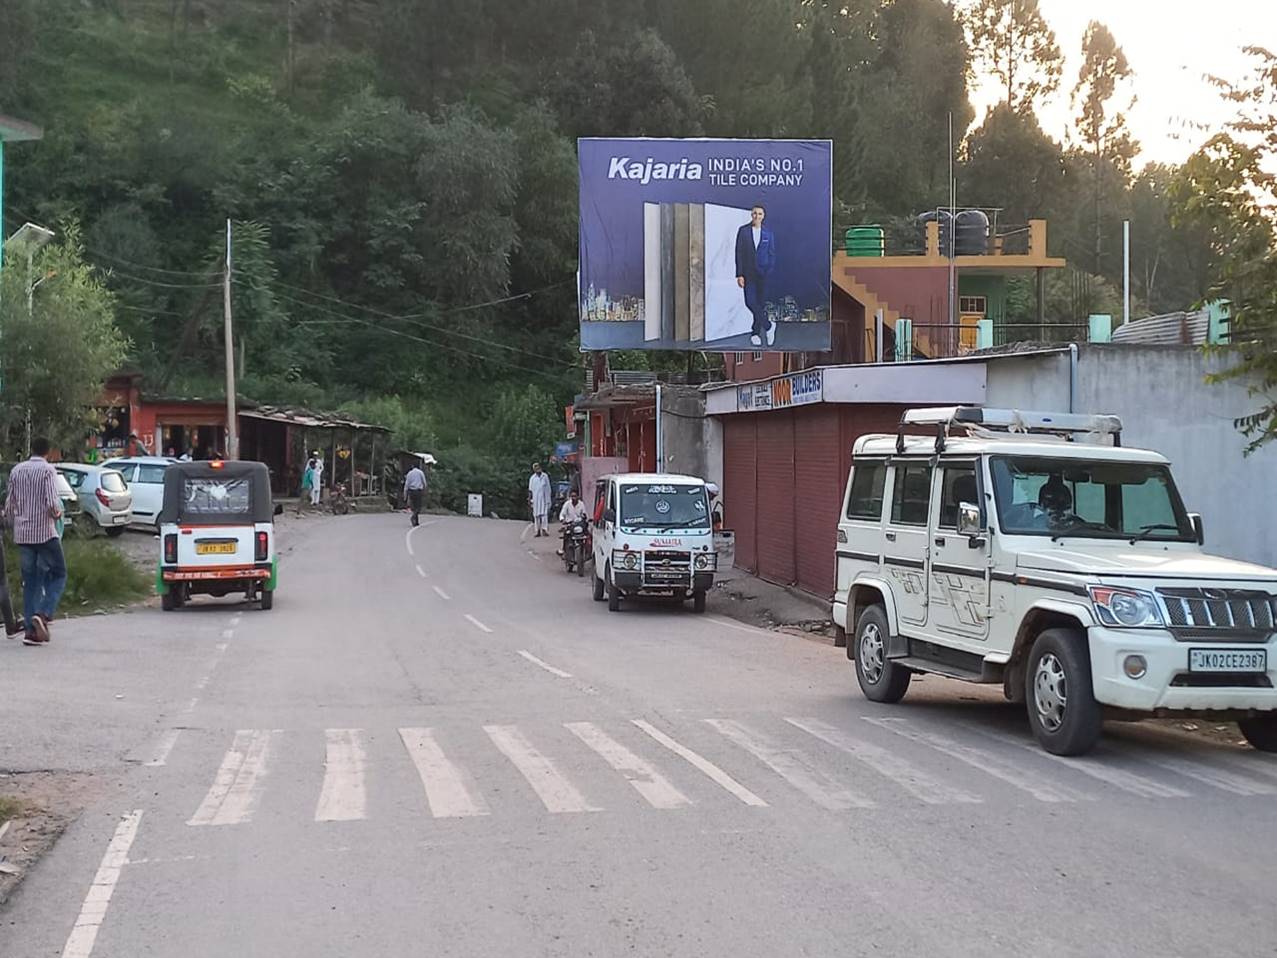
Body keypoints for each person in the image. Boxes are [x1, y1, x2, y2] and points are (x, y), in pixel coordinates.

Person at [4, 438, 67, 646]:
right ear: (48, 452)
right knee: (59, 573)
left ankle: (31, 633)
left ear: (32, 450)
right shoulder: (48, 471)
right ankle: (44, 613)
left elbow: (10, 504)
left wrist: (12, 524)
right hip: (45, 534)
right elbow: (51, 502)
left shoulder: (17, 470)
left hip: (23, 534)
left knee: (30, 581)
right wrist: (57, 514)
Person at [734, 204, 777, 347]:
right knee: (750, 302)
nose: (757, 216)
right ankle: (769, 326)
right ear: (751, 215)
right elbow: (739, 253)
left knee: (760, 304)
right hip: (748, 273)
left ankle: (755, 333)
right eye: (754, 213)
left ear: (763, 216)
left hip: (763, 274)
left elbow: (772, 254)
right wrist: (739, 274)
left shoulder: (768, 233)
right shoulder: (743, 231)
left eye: (760, 214)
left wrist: (769, 270)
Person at [556, 489, 588, 556]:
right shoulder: (567, 504)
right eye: (572, 496)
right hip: (570, 524)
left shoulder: (581, 504)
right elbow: (562, 514)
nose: (573, 498)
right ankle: (564, 550)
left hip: (579, 524)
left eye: (575, 496)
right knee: (566, 534)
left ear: (578, 496)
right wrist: (562, 520)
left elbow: (584, 514)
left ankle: (587, 550)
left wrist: (584, 517)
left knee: (587, 533)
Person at [528, 463, 552, 537]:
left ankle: (544, 530)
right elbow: (530, 490)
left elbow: (548, 488)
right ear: (534, 470)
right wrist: (529, 499)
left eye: (538, 467)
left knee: (544, 515)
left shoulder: (545, 476)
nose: (537, 469)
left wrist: (549, 498)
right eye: (535, 468)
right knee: (536, 515)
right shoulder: (532, 478)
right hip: (536, 499)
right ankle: (537, 531)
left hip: (545, 498)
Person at [403, 460, 427, 527]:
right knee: (418, 507)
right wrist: (425, 490)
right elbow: (424, 482)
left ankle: (416, 521)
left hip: (411, 491)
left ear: (412, 466)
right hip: (418, 491)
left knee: (413, 506)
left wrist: (405, 494)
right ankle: (413, 517)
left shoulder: (409, 473)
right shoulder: (420, 472)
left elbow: (406, 484)